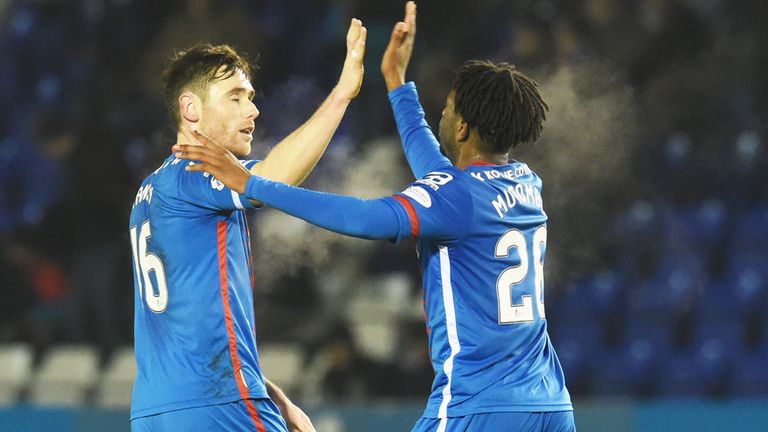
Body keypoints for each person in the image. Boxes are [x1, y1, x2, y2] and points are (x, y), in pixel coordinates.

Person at [173, 2, 575, 431]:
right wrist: (397, 83)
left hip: (478, 405)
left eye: (450, 107)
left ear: (462, 129)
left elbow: (364, 218)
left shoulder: (455, 197)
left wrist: (253, 184)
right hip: (549, 401)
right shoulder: (525, 184)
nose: (442, 111)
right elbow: (437, 171)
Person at [128, 18, 367, 432]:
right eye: (235, 97)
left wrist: (272, 393)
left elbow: (193, 328)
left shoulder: (152, 190)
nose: (253, 109)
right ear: (191, 109)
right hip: (217, 404)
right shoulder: (197, 171)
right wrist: (341, 96)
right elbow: (269, 181)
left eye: (251, 97)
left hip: (154, 412)